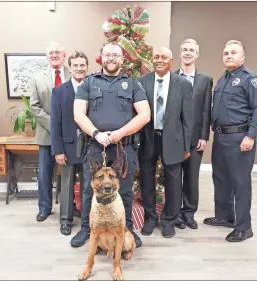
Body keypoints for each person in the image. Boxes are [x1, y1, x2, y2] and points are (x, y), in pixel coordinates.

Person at [72, 42, 151, 248]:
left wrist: (120, 133)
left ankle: (127, 230)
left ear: (122, 59)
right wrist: (96, 134)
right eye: (107, 55)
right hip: (96, 147)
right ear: (101, 57)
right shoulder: (88, 82)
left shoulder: (133, 84)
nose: (111, 58)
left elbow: (145, 115)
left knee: (124, 191)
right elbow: (78, 114)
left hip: (124, 148)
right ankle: (87, 231)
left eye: (115, 55)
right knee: (90, 191)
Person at [204, 40, 257, 242]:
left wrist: (250, 136)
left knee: (240, 183)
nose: (229, 55)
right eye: (226, 52)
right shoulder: (223, 78)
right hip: (221, 136)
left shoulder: (250, 79)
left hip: (240, 138)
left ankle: (244, 227)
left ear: (242, 57)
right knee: (221, 178)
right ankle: (224, 216)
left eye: (233, 52)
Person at [138, 47, 193, 238]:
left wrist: (187, 146)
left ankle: (169, 219)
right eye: (156, 57)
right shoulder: (141, 82)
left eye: (164, 57)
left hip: (174, 139)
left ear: (171, 61)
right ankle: (150, 218)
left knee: (174, 181)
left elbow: (188, 118)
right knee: (146, 178)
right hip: (148, 138)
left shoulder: (183, 84)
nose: (159, 60)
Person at [174, 39, 213, 230]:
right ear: (180, 54)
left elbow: (206, 111)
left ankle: (188, 213)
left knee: (191, 177)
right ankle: (174, 214)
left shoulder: (205, 80)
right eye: (185, 50)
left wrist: (204, 136)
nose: (188, 53)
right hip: (174, 138)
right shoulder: (171, 77)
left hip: (195, 138)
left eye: (192, 50)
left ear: (197, 55)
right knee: (173, 177)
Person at [30, 42, 70, 222]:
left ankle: (71, 207)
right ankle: (45, 208)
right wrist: (54, 124)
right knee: (45, 174)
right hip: (46, 134)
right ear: (47, 56)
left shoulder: (74, 74)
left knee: (70, 173)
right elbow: (35, 107)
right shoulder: (37, 78)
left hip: (70, 134)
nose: (54, 55)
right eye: (51, 53)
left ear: (64, 55)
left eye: (58, 52)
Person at [50, 51, 89, 235]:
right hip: (67, 145)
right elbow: (55, 122)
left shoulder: (92, 87)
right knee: (66, 184)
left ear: (87, 67)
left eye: (82, 65)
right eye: (76, 65)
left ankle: (85, 219)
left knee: (87, 184)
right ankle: (65, 220)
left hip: (89, 146)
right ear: (70, 67)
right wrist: (58, 150)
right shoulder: (59, 91)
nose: (79, 68)